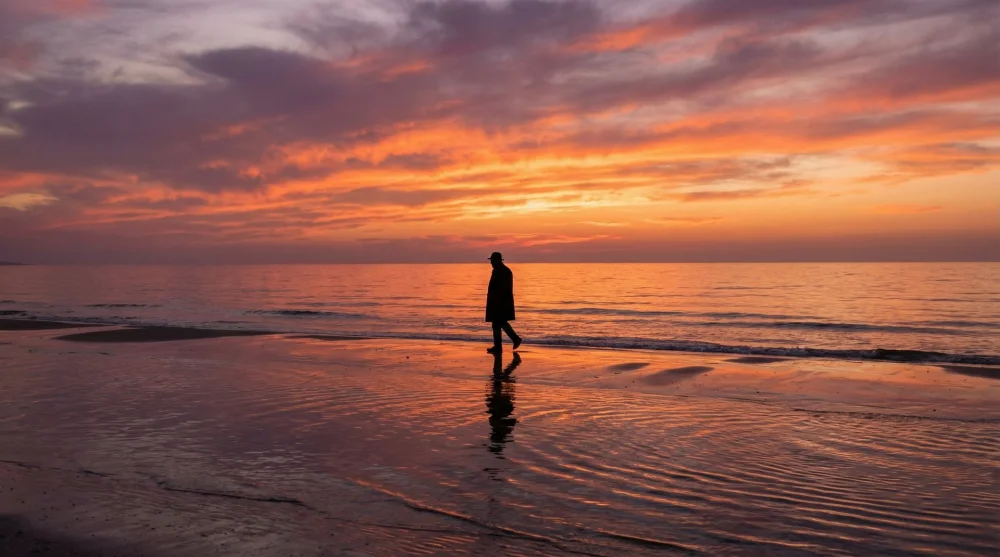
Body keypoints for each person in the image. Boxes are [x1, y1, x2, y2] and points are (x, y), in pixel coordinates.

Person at [485, 252, 522, 354]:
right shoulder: (499, 270)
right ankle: (499, 346)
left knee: (499, 322)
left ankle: (515, 339)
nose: (491, 263)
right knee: (497, 323)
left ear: (497, 261)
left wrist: (496, 301)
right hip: (498, 302)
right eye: (491, 261)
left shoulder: (503, 271)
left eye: (492, 261)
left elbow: (503, 288)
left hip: (501, 302)